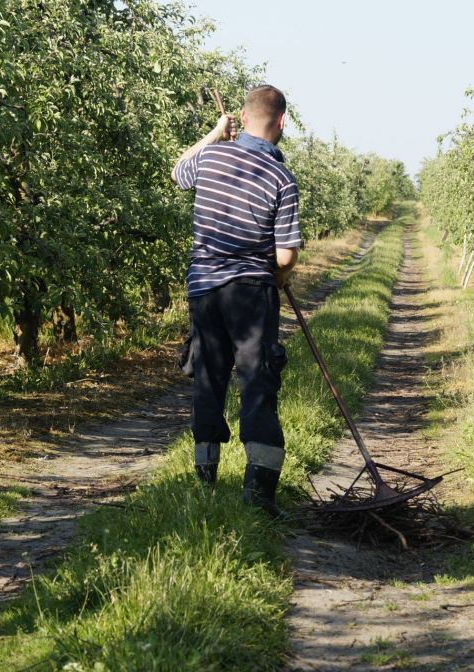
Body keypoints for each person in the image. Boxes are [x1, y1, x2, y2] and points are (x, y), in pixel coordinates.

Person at [171, 84, 301, 517]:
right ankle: (259, 499)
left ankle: (204, 486)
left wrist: (213, 132)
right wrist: (280, 278)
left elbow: (178, 171)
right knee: (257, 382)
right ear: (282, 121)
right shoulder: (283, 178)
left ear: (241, 120)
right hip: (251, 293)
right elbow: (285, 255)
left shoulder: (210, 157)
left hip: (204, 290)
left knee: (208, 380)